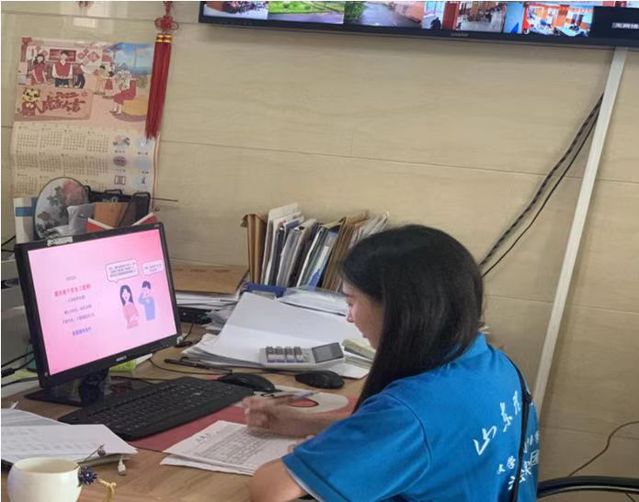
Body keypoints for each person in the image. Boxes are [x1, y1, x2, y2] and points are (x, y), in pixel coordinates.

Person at [245, 225, 539, 501]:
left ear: (399, 309)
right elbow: (413, 434)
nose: (349, 317)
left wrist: (309, 458)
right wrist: (302, 423)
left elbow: (269, 490)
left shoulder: (409, 411)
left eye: (351, 302)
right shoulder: (492, 363)